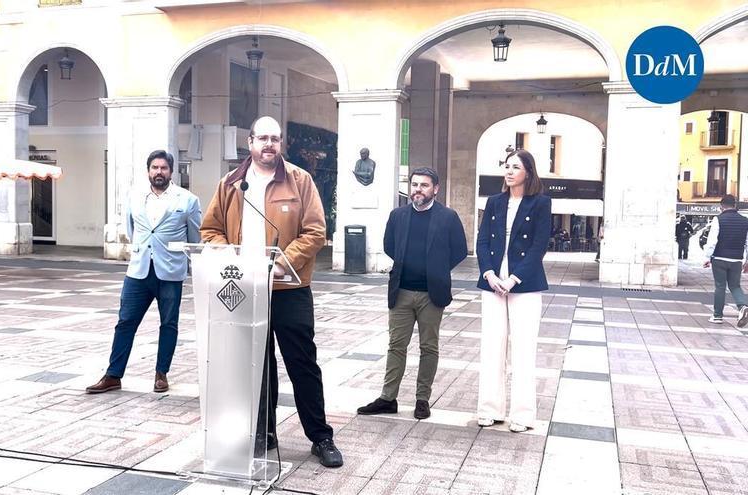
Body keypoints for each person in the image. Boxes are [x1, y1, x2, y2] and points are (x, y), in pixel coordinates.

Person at [200, 116, 343, 468]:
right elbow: (210, 230)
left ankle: (320, 436)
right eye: (262, 138)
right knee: (256, 366)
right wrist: (232, 259)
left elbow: (315, 231)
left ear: (282, 144)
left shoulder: (300, 180)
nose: (269, 145)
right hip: (245, 288)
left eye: (275, 139)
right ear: (249, 142)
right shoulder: (231, 183)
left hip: (289, 288)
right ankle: (264, 433)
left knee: (302, 364)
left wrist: (280, 263)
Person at [86, 150, 202, 394]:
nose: (159, 172)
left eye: (163, 168)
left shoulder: (187, 200)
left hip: (170, 272)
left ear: (172, 171)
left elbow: (195, 238)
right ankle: (113, 375)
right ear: (148, 170)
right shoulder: (135, 196)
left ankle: (162, 374)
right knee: (125, 322)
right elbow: (132, 230)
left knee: (169, 323)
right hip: (138, 271)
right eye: (154, 168)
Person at [356, 167, 467, 420]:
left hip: (432, 294)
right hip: (402, 292)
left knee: (429, 347)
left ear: (435, 189)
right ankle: (388, 398)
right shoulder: (398, 215)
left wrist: (437, 268)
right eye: (414, 184)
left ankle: (422, 399)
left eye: (424, 185)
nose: (417, 189)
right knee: (396, 346)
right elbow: (389, 245)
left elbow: (459, 250)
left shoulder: (448, 217)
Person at [475, 149, 552, 433]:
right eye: (506, 166)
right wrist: (489, 273)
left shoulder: (541, 203)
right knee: (492, 346)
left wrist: (513, 279)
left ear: (528, 173)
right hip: (492, 282)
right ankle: (489, 410)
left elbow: (538, 246)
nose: (508, 171)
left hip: (525, 284)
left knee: (523, 349)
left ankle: (522, 415)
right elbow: (482, 241)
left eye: (515, 167)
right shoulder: (494, 202)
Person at [702, 194, 748, 326]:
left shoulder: (718, 219)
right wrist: (747, 260)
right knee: (735, 285)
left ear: (721, 207)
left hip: (720, 259)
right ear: (735, 205)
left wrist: (707, 257)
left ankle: (717, 316)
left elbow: (712, 241)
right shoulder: (745, 221)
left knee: (720, 286)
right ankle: (742, 306)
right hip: (736, 259)